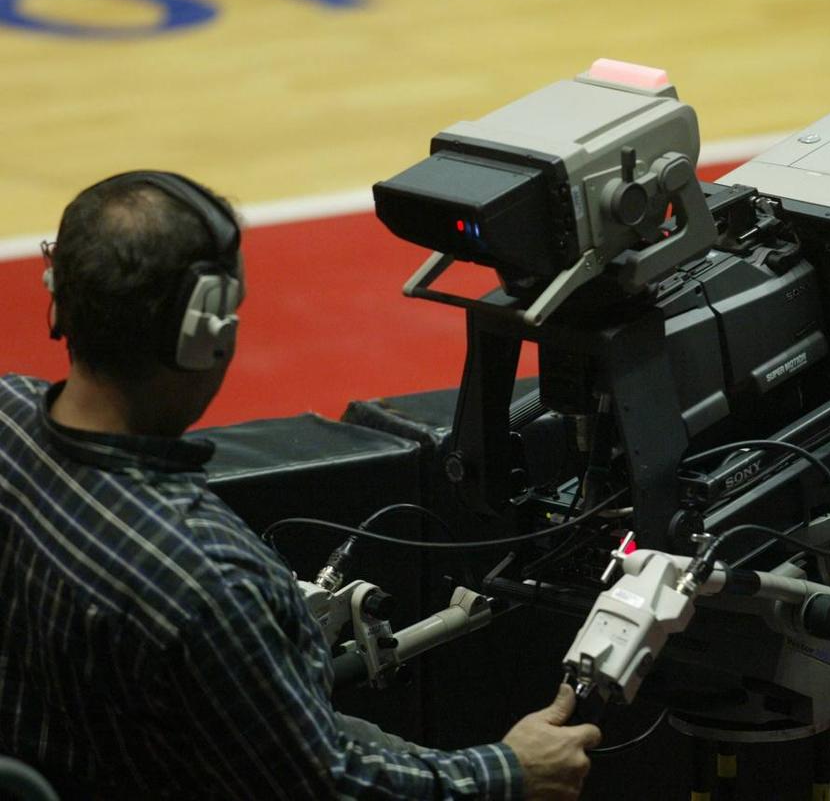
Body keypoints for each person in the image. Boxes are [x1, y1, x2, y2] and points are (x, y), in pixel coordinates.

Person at [0, 171, 602, 799]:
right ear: (204, 339)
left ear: (58, 295)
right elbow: (323, 785)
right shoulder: (209, 578)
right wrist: (509, 771)